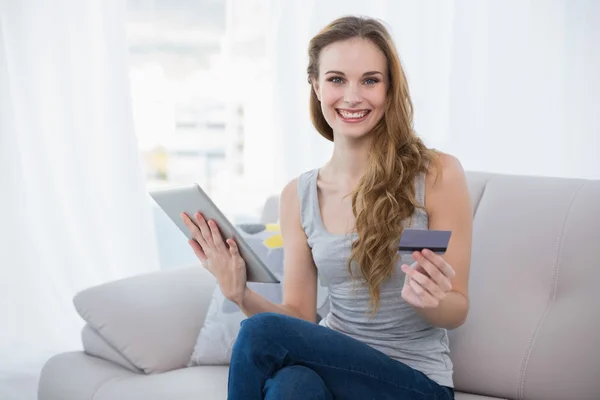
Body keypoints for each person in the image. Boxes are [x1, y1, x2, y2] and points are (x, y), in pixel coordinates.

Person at [181, 15, 472, 400]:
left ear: (389, 89)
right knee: (292, 385)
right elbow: (302, 318)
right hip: (337, 372)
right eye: (337, 79)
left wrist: (433, 302)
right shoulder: (298, 196)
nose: (352, 96)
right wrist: (238, 294)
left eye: (370, 80)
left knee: (258, 332)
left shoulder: (436, 174)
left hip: (415, 383)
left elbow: (458, 308)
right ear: (316, 86)